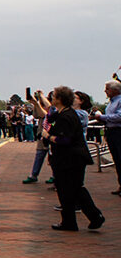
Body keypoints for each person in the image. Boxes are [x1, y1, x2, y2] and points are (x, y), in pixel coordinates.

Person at [46, 85, 105, 231]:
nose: (52, 99)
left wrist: (49, 137)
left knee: (69, 189)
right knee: (73, 189)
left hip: (70, 159)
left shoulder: (66, 117)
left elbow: (65, 140)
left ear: (59, 99)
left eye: (54, 97)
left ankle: (85, 218)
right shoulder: (66, 113)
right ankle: (79, 219)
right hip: (72, 159)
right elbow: (49, 115)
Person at [91, 80, 121, 196]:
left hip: (118, 131)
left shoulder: (119, 101)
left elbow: (119, 116)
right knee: (117, 160)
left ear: (114, 90)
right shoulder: (111, 102)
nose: (105, 91)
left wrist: (102, 117)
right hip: (111, 131)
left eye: (107, 88)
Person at [23, 91, 54, 185]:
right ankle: (34, 175)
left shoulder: (53, 109)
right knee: (40, 154)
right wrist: (36, 103)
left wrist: (37, 103)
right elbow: (36, 115)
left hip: (49, 134)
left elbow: (45, 114)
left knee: (51, 157)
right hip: (42, 133)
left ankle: (53, 176)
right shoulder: (42, 105)